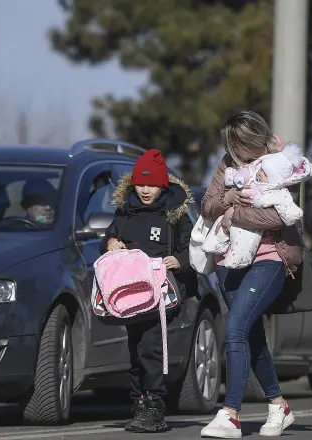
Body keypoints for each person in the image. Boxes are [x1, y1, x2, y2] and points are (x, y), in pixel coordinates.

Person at [199, 110, 303, 438]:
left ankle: (230, 413)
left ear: (253, 140)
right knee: (249, 334)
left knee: (235, 327)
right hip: (229, 260)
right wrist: (228, 198)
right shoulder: (227, 164)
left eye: (238, 146)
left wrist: (237, 213)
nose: (234, 153)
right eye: (230, 147)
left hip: (270, 259)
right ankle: (278, 406)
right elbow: (206, 205)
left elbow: (279, 218)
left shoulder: (281, 162)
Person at [100, 149, 194, 433]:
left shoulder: (174, 214)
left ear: (162, 185)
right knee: (135, 347)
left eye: (151, 184)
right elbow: (109, 236)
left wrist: (180, 261)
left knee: (151, 347)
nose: (145, 190)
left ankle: (155, 405)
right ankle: (139, 402)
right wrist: (110, 243)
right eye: (141, 184)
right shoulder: (125, 212)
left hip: (162, 294)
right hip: (131, 295)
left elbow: (196, 249)